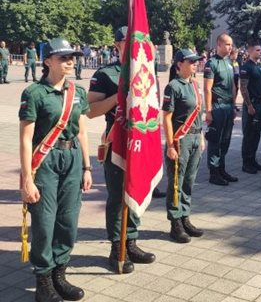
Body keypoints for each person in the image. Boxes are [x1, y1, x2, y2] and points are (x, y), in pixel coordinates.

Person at [19, 38, 91, 302]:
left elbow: (82, 132)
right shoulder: (34, 93)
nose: (70, 61)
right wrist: (27, 179)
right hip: (46, 160)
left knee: (68, 220)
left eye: (72, 56)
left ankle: (60, 273)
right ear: (47, 61)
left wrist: (86, 166)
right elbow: (26, 139)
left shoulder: (78, 93)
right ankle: (44, 280)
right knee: (45, 221)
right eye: (63, 57)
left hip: (72, 158)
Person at [87, 27, 155, 273]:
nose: (135, 45)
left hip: (140, 141)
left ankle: (132, 240)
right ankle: (117, 247)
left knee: (136, 189)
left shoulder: (145, 70)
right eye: (129, 41)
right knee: (117, 197)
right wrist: (118, 97)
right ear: (117, 45)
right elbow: (90, 110)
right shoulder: (105, 73)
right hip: (117, 143)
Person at [162, 49, 205, 243]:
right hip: (181, 140)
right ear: (179, 64)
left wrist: (201, 136)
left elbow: (197, 114)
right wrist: (170, 144)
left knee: (189, 180)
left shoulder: (195, 85)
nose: (196, 64)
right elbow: (167, 118)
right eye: (191, 61)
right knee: (176, 182)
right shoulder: (173, 86)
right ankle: (175, 221)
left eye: (197, 61)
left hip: (195, 138)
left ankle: (185, 216)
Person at [203, 33, 238, 186]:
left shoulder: (229, 62)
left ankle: (222, 169)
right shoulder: (212, 63)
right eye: (227, 44)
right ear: (219, 45)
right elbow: (207, 88)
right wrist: (209, 111)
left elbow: (233, 86)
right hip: (217, 106)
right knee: (215, 141)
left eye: (231, 44)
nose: (230, 47)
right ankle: (214, 172)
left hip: (229, 106)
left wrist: (234, 105)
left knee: (225, 140)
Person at [239, 42, 261, 174]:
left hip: (260, 104)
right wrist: (249, 105)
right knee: (249, 134)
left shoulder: (259, 66)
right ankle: (246, 162)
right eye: (258, 50)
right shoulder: (246, 67)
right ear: (250, 51)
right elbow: (243, 87)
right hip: (252, 104)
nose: (260, 52)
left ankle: (253, 159)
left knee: (255, 134)